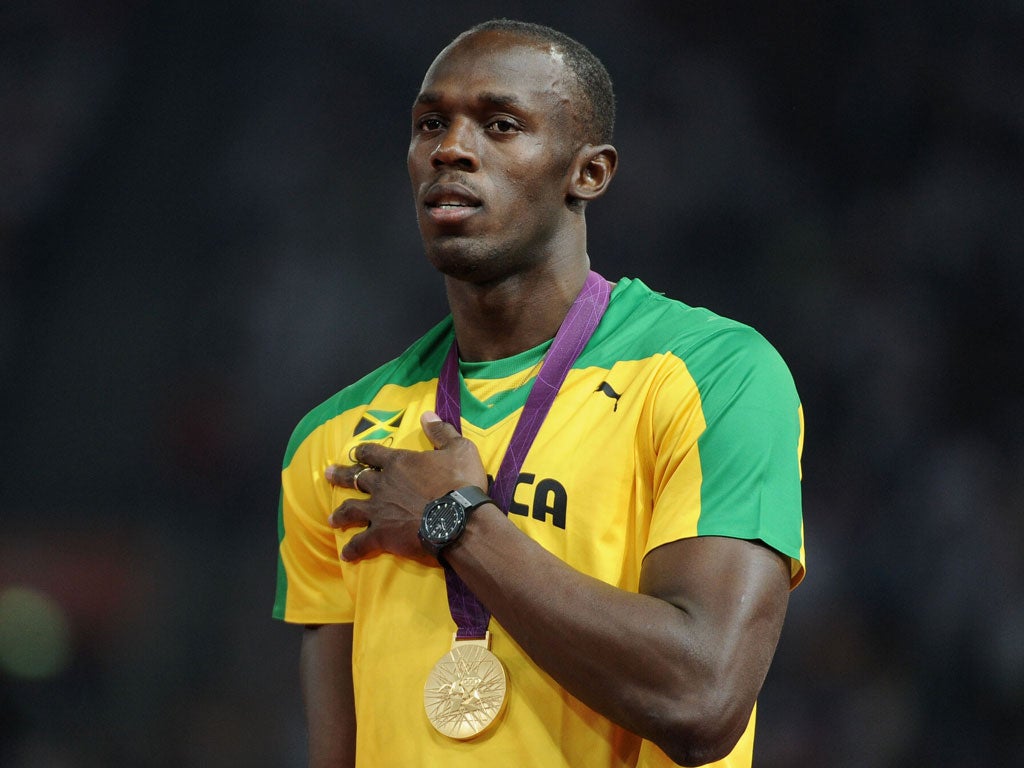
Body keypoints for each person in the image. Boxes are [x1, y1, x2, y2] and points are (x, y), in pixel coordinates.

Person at [273, 18, 805, 768]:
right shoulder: (333, 439)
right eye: (431, 123)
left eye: (499, 124)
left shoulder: (710, 375)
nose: (450, 149)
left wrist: (458, 521)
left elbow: (702, 699)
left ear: (588, 172)